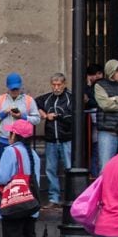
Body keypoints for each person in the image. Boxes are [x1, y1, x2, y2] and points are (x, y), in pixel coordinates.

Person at [37, 73, 75, 204]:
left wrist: (57, 116)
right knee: (50, 169)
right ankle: (54, 198)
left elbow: (71, 118)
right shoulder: (47, 98)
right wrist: (44, 115)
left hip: (66, 139)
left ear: (64, 85)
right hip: (51, 139)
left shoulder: (70, 98)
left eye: (59, 85)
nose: (56, 88)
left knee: (69, 169)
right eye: (54, 85)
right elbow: (35, 103)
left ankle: (71, 197)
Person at [0, 73, 39, 138]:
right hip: (4, 139)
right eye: (12, 89)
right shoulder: (0, 99)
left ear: (20, 86)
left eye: (17, 89)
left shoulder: (29, 100)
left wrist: (22, 117)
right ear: (7, 87)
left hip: (22, 140)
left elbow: (37, 120)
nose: (15, 91)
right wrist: (3, 113)